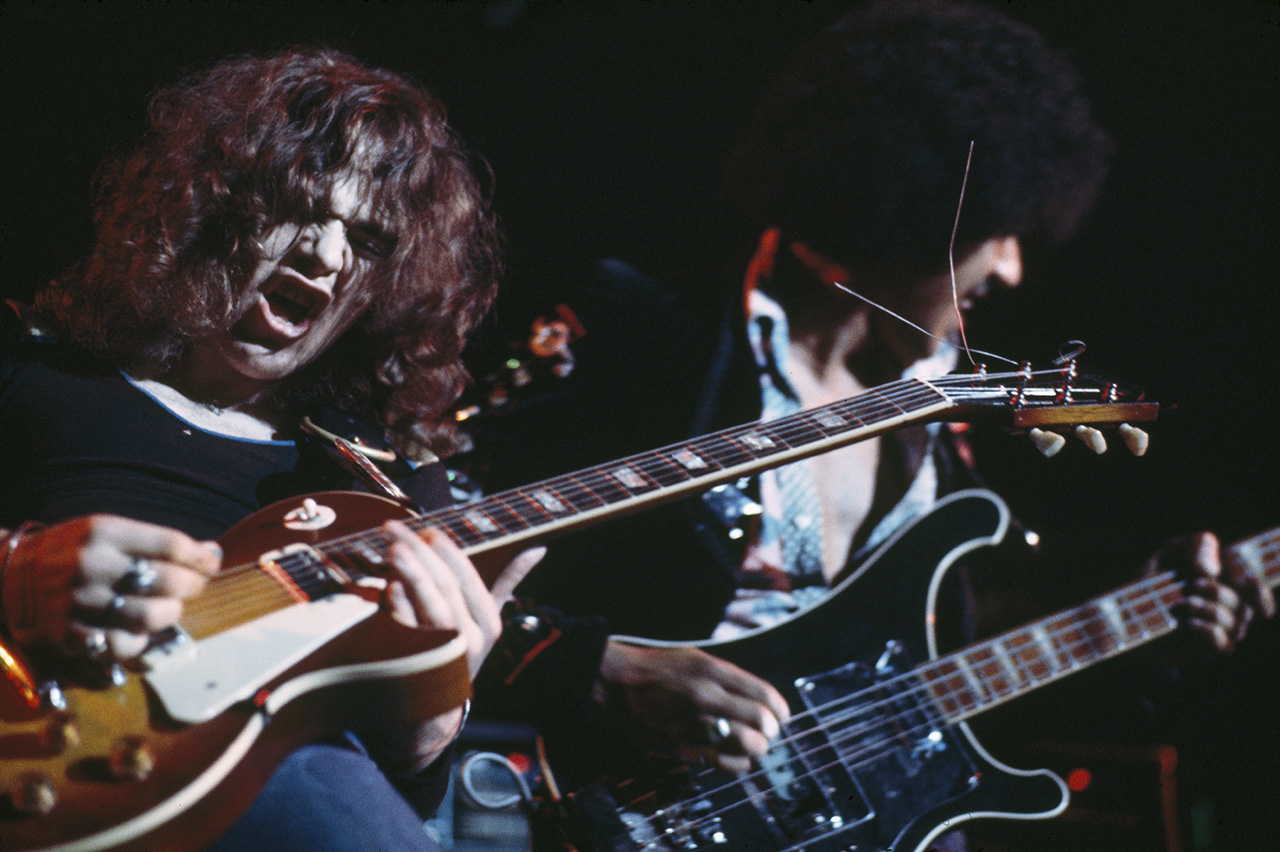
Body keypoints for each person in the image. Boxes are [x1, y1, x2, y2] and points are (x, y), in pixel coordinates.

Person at [463, 1, 1275, 849]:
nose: (1011, 266)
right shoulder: (642, 330)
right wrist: (594, 670)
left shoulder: (950, 413)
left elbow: (936, 691)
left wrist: (1136, 627)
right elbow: (423, 545)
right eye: (993, 228)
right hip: (586, 813)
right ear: (901, 206)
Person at [0, 47, 543, 851]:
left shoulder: (386, 486)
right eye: (300, 208)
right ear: (213, 205)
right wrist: (16, 570)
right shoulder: (31, 367)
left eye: (368, 239)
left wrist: (429, 725)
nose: (325, 256)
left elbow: (401, 790)